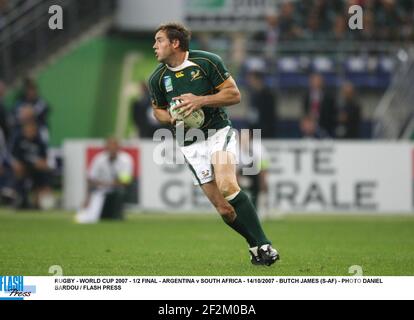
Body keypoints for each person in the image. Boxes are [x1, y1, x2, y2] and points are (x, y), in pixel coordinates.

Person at [148, 22, 279, 266]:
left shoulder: (207, 62)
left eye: (159, 40)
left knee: (228, 185)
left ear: (175, 43)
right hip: (190, 143)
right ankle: (254, 246)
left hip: (218, 133)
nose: (154, 46)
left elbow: (234, 95)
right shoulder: (157, 78)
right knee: (224, 209)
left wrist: (200, 101)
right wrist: (173, 117)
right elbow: (158, 111)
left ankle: (264, 245)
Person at [75, 137, 133, 224]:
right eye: (110, 146)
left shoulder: (126, 160)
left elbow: (125, 182)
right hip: (100, 191)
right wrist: (87, 198)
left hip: (116, 191)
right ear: (106, 147)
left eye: (114, 146)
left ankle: (117, 215)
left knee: (120, 192)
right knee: (93, 212)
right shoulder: (99, 159)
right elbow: (90, 179)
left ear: (118, 147)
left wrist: (105, 183)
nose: (112, 149)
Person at [10, 121, 54, 209]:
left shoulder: (39, 141)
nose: (31, 131)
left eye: (33, 130)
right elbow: (14, 157)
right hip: (23, 166)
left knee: (43, 171)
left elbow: (44, 158)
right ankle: (20, 198)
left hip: (36, 167)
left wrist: (42, 164)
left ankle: (38, 199)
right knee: (19, 169)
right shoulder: (19, 140)